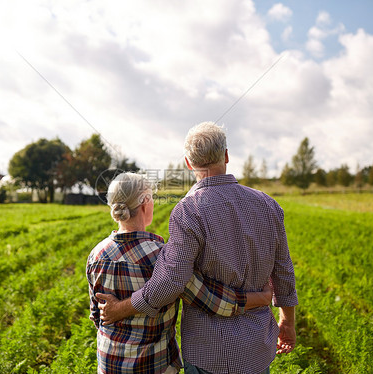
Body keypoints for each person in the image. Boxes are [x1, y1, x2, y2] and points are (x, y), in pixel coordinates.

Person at [98, 122, 298, 374]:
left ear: (189, 163)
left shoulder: (188, 210)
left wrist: (119, 309)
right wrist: (287, 322)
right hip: (257, 346)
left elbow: (170, 283)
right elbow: (283, 272)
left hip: (208, 351)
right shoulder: (268, 205)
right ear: (226, 155)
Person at [87, 172, 272, 374]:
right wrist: (258, 298)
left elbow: (97, 316)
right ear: (145, 204)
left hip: (108, 364)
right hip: (153, 365)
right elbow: (211, 299)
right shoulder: (163, 257)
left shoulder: (96, 255)